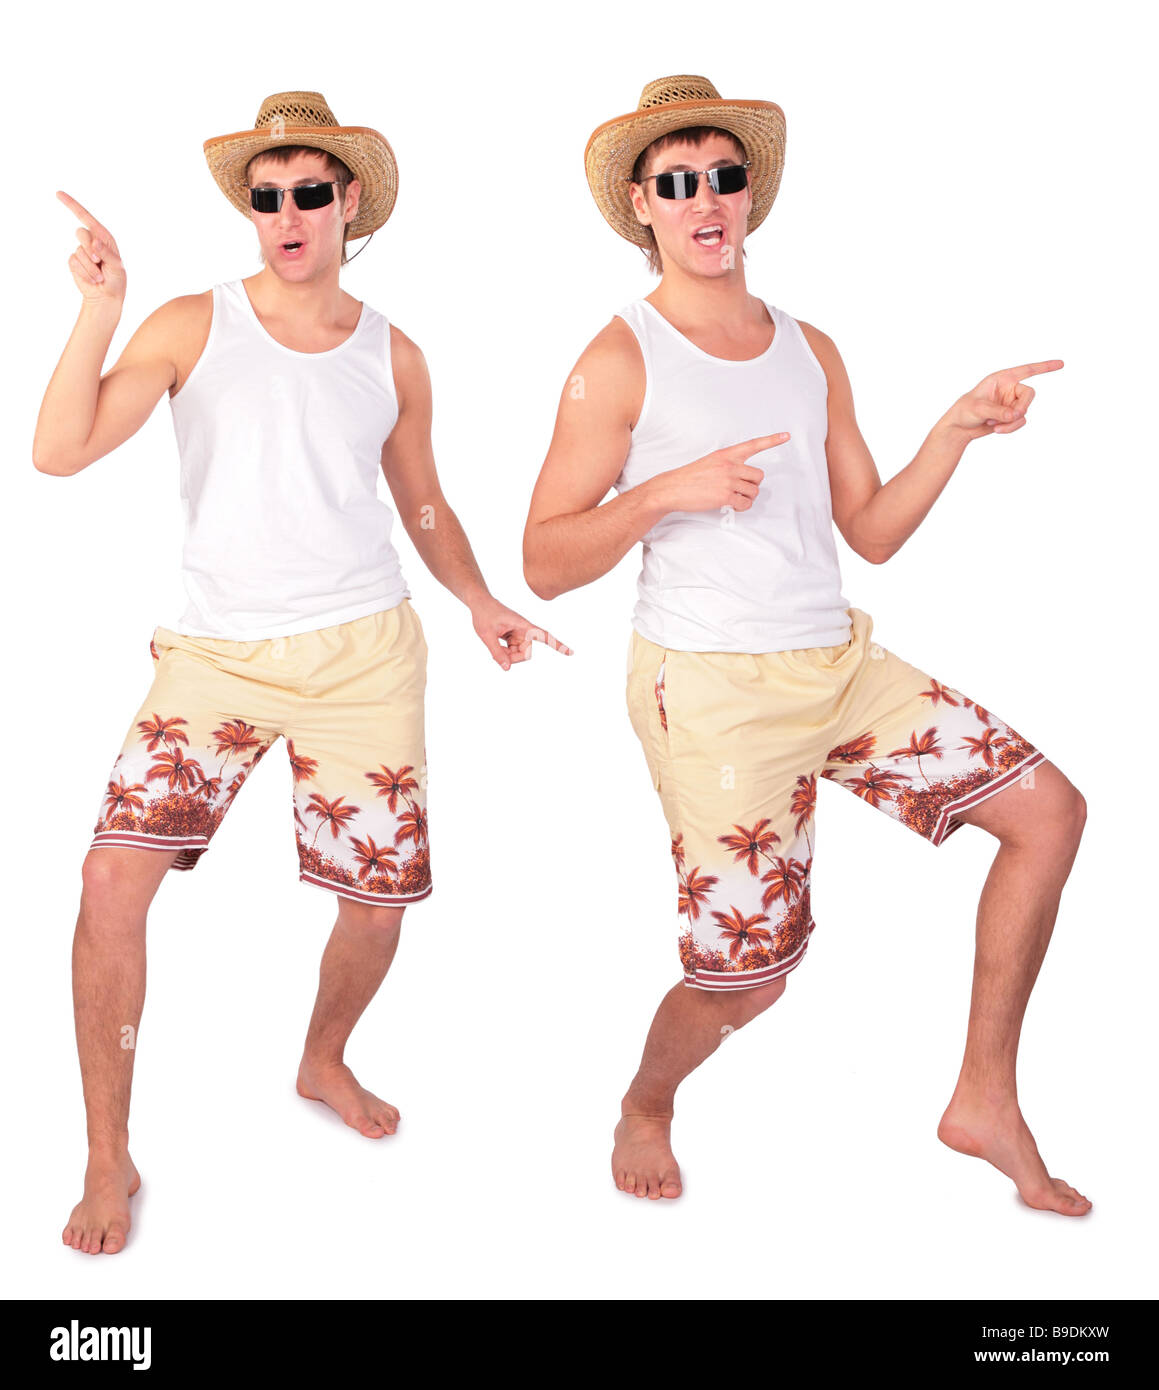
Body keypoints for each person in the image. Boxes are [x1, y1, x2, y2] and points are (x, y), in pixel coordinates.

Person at [523, 75, 1089, 1214]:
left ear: (749, 195)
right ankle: (647, 1097)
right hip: (711, 692)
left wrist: (954, 431)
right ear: (642, 205)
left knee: (1048, 812)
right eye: (675, 181)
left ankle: (982, 1095)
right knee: (752, 981)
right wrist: (662, 493)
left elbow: (869, 529)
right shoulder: (618, 358)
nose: (703, 200)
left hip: (836, 664)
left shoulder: (809, 346)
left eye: (723, 176)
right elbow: (542, 556)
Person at [35, 90, 569, 1255]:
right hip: (215, 658)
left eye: (308, 193)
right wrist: (101, 309)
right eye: (265, 196)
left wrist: (477, 598)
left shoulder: (395, 352)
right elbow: (59, 451)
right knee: (108, 885)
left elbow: (420, 500)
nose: (285, 212)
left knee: (375, 904)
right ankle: (106, 1152)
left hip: (363, 655)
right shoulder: (190, 323)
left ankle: (323, 1055)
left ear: (349, 204)